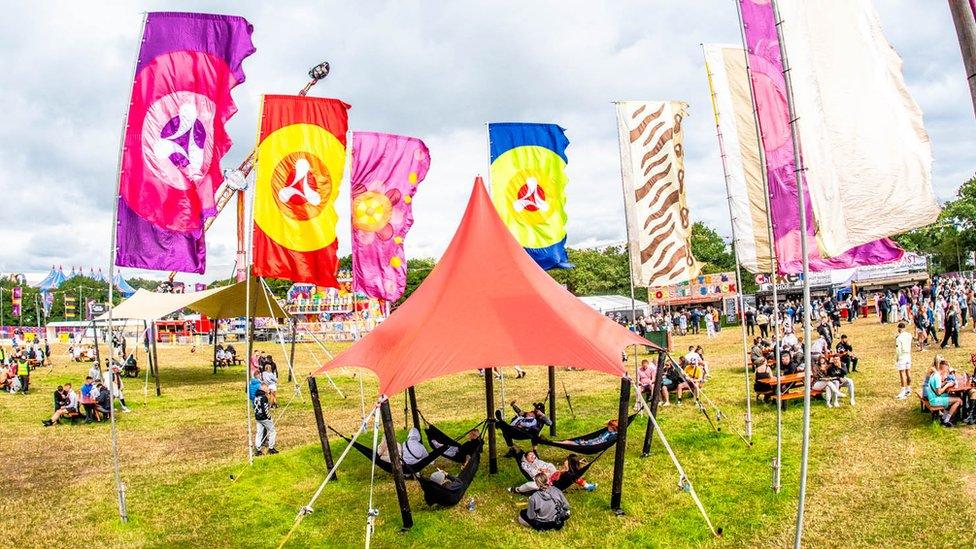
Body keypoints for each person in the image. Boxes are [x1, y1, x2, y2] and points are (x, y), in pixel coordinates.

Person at [924, 358, 962, 427]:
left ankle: (944, 417)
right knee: (958, 400)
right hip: (934, 400)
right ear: (944, 368)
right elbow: (939, 392)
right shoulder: (937, 377)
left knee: (951, 395)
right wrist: (947, 385)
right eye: (947, 369)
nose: (947, 371)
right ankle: (946, 421)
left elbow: (936, 387)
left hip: (933, 397)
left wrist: (944, 383)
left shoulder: (934, 374)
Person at [253, 382, 278, 455]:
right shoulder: (263, 397)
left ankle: (258, 450)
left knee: (259, 433)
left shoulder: (256, 397)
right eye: (267, 388)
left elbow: (255, 407)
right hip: (264, 418)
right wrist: (269, 417)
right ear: (263, 388)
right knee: (272, 431)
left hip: (258, 417)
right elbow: (265, 409)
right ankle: (271, 448)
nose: (268, 389)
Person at [894, 322, 913, 400]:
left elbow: (898, 350)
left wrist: (897, 358)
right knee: (908, 372)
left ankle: (903, 391)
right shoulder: (909, 335)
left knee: (902, 373)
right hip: (908, 355)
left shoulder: (899, 338)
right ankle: (908, 388)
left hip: (902, 355)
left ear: (899, 328)